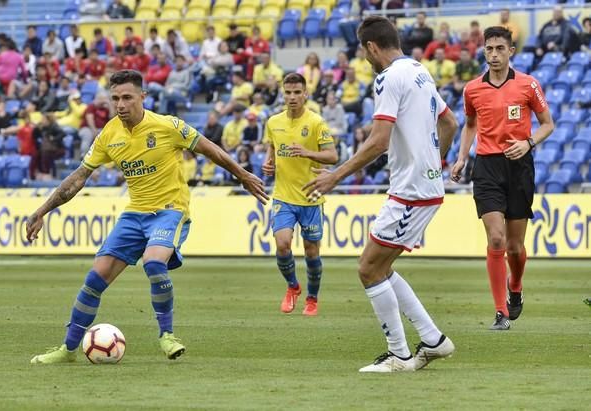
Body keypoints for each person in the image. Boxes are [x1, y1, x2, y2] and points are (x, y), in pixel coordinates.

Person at [28, 70, 268, 364]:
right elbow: (79, 178)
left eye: (127, 97)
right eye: (115, 98)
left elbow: (211, 149)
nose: (120, 104)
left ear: (143, 97)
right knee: (94, 279)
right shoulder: (109, 134)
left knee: (153, 262)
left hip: (169, 210)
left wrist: (242, 175)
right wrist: (43, 211)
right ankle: (68, 350)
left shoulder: (168, 126)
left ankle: (166, 336)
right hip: (134, 214)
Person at [303, 16, 459, 372]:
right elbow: (449, 122)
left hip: (411, 190)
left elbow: (378, 141)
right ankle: (433, 340)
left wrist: (335, 177)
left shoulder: (389, 78)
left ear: (371, 47)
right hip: (425, 184)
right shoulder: (420, 70)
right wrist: (435, 162)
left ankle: (399, 355)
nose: (365, 58)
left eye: (364, 51)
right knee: (381, 266)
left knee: (368, 268)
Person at [451, 26, 554, 331]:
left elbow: (548, 124)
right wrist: (460, 157)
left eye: (499, 48)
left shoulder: (528, 85)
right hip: (486, 166)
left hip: (519, 165)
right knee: (495, 238)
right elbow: (470, 124)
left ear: (511, 51)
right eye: (489, 49)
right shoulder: (472, 89)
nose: (493, 54)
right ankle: (500, 312)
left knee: (514, 247)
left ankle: (516, 285)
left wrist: (529, 142)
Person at [261, 73, 338, 316]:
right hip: (283, 195)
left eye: (297, 92)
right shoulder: (273, 122)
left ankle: (312, 299)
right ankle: (293, 286)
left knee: (311, 251)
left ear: (306, 94)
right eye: (288, 92)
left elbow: (332, 156)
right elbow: (272, 147)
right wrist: (268, 162)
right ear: (282, 94)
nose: (292, 97)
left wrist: (306, 152)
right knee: (282, 244)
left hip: (311, 195)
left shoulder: (316, 123)